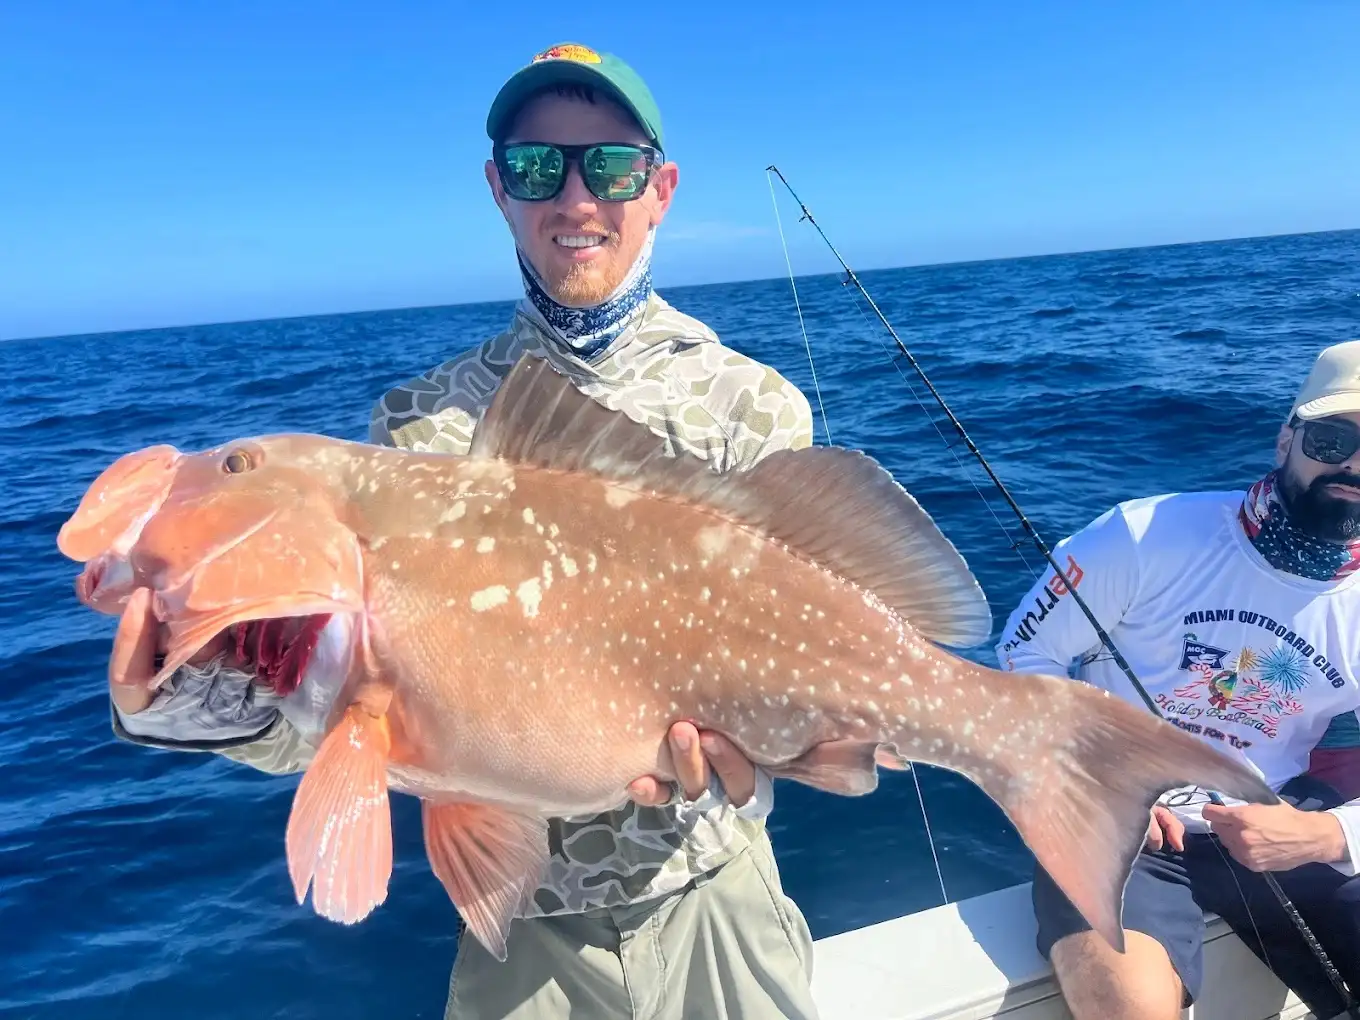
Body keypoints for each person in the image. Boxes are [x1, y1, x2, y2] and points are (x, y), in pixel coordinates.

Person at [108, 43, 822, 1020]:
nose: (576, 197)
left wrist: (776, 744)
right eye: (537, 167)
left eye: (612, 167)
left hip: (715, 896)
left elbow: (805, 662)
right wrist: (185, 699)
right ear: (498, 189)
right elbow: (353, 712)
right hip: (522, 932)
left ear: (660, 191)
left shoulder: (753, 408)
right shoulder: (418, 427)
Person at [995, 338, 1360, 1020]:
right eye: (1333, 439)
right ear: (1287, 440)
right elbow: (1025, 653)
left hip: (1283, 822)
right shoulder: (1141, 536)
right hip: (1120, 826)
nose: (1353, 465)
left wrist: (1327, 837)